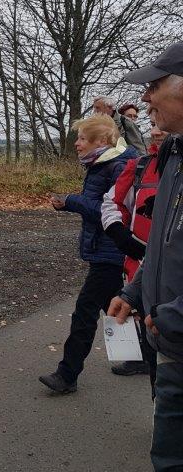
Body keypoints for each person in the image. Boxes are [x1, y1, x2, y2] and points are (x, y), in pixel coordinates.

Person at [108, 41, 183, 470]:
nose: (145, 98)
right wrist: (135, 292)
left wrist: (171, 316)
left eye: (154, 85)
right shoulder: (172, 155)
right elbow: (162, 243)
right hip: (173, 346)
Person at [39, 115, 135, 395]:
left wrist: (70, 201)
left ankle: (67, 375)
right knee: (116, 306)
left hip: (111, 252)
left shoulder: (115, 166)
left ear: (101, 141)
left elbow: (109, 212)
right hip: (105, 251)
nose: (77, 144)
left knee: (84, 311)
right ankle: (139, 357)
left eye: (82, 138)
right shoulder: (101, 164)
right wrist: (68, 204)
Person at [101, 112, 169, 377]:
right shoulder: (140, 166)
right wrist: (119, 233)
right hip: (139, 267)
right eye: (151, 125)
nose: (155, 132)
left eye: (161, 125)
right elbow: (111, 202)